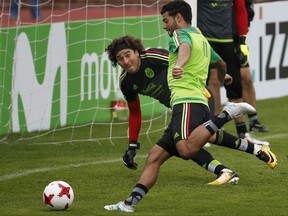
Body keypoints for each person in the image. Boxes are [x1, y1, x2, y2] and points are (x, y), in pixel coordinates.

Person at [103, 1, 277, 212]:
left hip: (189, 99)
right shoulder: (200, 38)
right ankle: (129, 204)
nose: (125, 61)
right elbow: (220, 63)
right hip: (187, 103)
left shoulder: (177, 36)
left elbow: (183, 49)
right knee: (156, 156)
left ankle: (226, 119)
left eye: (166, 21)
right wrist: (224, 77)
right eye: (120, 59)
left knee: (185, 148)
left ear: (177, 18)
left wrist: (179, 65)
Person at [197, 0, 269, 143]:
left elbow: (241, 9)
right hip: (206, 38)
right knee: (213, 80)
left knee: (236, 84)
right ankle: (214, 127)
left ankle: (243, 132)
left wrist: (242, 39)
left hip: (229, 40)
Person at [233, 0, 269, 132]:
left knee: (246, 77)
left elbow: (244, 11)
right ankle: (213, 125)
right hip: (219, 34)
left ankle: (254, 121)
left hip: (238, 39)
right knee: (214, 80)